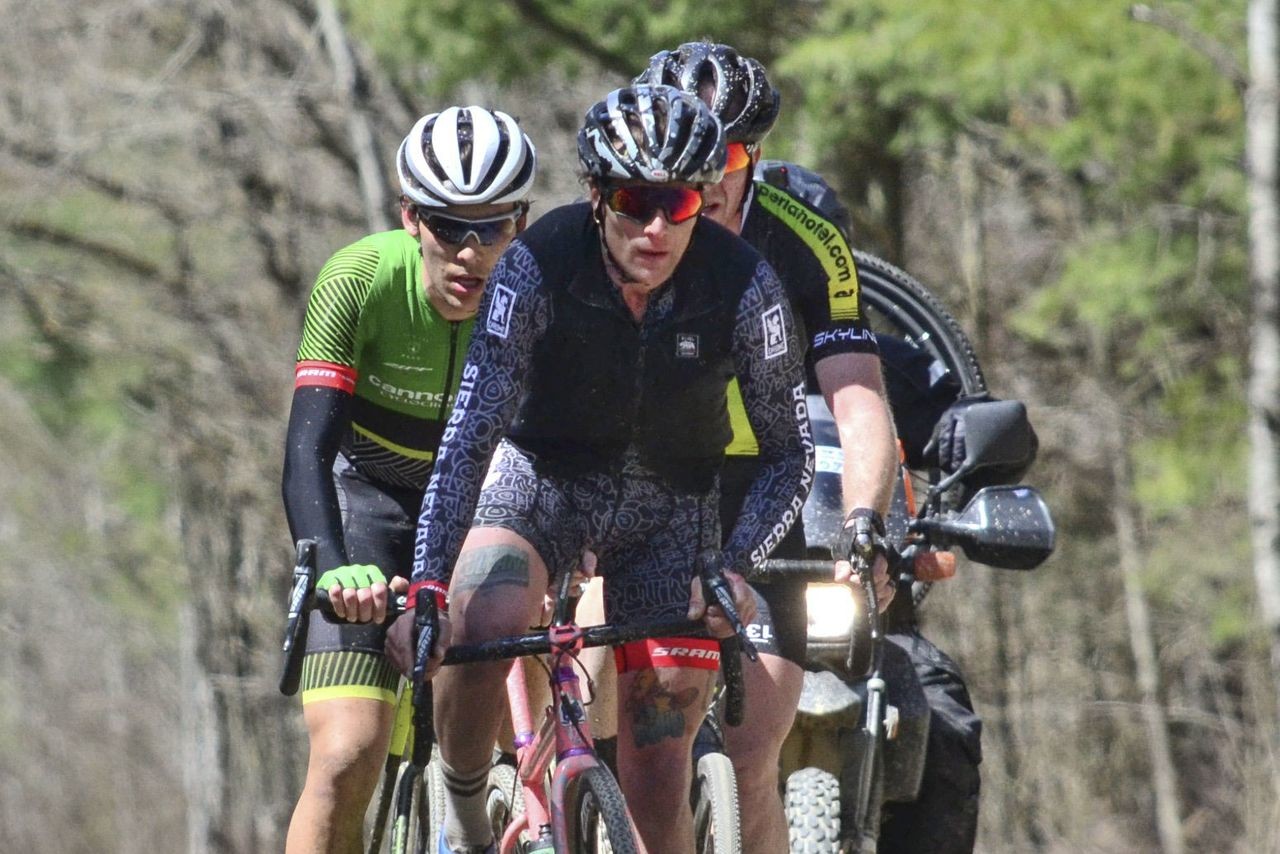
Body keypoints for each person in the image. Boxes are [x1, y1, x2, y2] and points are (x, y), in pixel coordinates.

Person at [399, 84, 815, 854]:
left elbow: (790, 451)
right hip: (546, 481)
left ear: (705, 198)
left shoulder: (746, 284)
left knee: (659, 792)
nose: (656, 228)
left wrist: (735, 564)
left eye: (680, 205)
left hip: (673, 510)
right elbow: (469, 433)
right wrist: (426, 580)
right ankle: (462, 811)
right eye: (634, 201)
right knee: (479, 617)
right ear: (595, 195)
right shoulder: (535, 265)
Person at [634, 42, 902, 853]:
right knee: (634, 741)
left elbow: (860, 404)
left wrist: (864, 524)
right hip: (637, 482)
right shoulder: (625, 228)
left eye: (734, 155)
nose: (710, 179)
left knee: (754, 755)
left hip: (759, 489)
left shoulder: (807, 245)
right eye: (687, 153)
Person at [280, 105, 536, 854]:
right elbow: (306, 452)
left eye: (491, 228)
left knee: (544, 734)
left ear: (519, 223)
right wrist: (332, 570)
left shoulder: (545, 298)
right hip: (370, 510)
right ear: (410, 217)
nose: (471, 253)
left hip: (489, 512)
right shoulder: (358, 280)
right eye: (450, 226)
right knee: (345, 756)